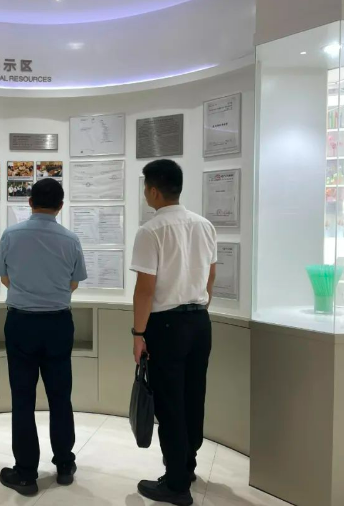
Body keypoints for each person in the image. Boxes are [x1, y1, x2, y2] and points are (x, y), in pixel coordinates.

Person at [130, 160, 217, 506]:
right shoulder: (204, 225)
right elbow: (210, 276)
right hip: (200, 322)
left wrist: (138, 333)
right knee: (194, 396)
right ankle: (187, 465)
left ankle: (176, 484)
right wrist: (199, 308)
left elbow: (145, 290)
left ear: (153, 191)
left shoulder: (150, 230)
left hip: (166, 326)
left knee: (169, 403)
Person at [0, 178, 88, 496]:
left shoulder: (11, 235)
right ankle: (64, 465)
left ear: (30, 202)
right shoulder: (71, 240)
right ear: (60, 206)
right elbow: (74, 283)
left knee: (22, 399)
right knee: (61, 396)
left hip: (21, 323)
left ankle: (25, 473)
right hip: (58, 323)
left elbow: (4, 277)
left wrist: (27, 292)